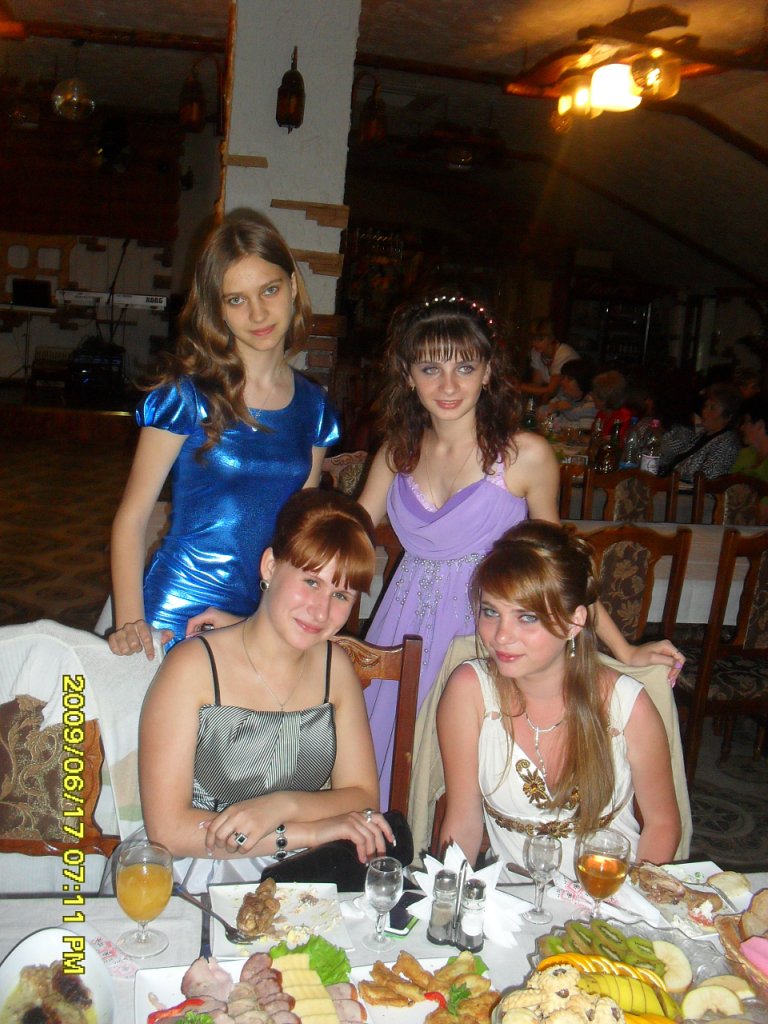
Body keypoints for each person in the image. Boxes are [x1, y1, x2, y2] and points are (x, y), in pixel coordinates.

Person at [358, 296, 685, 803]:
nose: (449, 385)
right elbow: (347, 535)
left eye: (465, 367)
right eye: (431, 368)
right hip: (403, 629)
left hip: (492, 631)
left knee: (476, 783)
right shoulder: (395, 454)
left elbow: (562, 566)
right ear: (408, 375)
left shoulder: (524, 455)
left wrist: (623, 650)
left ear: (488, 372)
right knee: (391, 770)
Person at [108, 211, 340, 658]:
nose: (258, 313)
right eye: (236, 300)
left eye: (269, 290)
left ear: (293, 286)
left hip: (262, 616)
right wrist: (131, 624)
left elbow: (299, 538)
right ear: (217, 308)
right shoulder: (186, 395)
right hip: (177, 612)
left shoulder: (314, 408)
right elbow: (132, 518)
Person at [139, 489, 393, 890]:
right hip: (202, 872)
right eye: (310, 581)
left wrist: (281, 805)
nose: (321, 611)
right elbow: (168, 830)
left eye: (340, 594)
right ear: (271, 566)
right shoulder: (192, 668)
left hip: (308, 874)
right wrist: (305, 831)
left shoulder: (336, 668)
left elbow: (363, 797)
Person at [436, 521, 681, 880]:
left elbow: (662, 824)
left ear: (573, 622)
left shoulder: (627, 706)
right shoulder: (468, 691)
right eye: (491, 612)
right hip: (512, 901)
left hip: (610, 893)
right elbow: (463, 822)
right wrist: (448, 899)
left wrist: (629, 901)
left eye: (527, 617)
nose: (501, 636)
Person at [659, 383, 742, 482]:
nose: (704, 411)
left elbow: (707, 480)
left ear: (728, 416)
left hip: (685, 489)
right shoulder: (702, 434)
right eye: (706, 406)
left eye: (712, 408)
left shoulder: (728, 443)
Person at [519, 317, 579, 401]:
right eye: (533, 339)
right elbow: (537, 385)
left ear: (551, 338)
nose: (535, 343)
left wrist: (519, 386)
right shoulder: (536, 352)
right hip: (559, 400)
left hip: (576, 401)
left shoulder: (563, 354)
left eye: (540, 339)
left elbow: (551, 390)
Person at [732, 392, 768, 523]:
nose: (742, 427)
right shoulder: (745, 455)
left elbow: (763, 515)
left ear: (760, 425)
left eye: (746, 421)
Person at [536, 358, 596, 432]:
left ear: (582, 382)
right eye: (563, 377)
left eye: (569, 379)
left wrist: (567, 410)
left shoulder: (590, 405)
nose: (562, 382)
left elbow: (584, 434)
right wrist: (555, 406)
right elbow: (539, 414)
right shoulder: (563, 396)